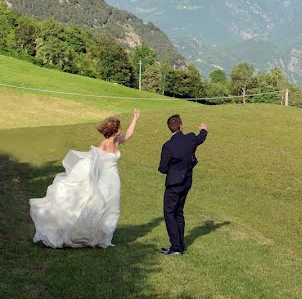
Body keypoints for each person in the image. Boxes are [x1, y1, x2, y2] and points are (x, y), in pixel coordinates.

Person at [30, 109, 141, 248]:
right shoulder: (104, 144)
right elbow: (93, 161)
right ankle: (91, 234)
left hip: (114, 180)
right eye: (119, 128)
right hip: (104, 180)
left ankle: (103, 237)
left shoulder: (117, 141)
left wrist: (135, 118)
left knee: (112, 207)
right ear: (115, 130)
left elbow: (129, 134)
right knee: (101, 205)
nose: (121, 130)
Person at [158, 114, 208, 256]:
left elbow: (162, 168)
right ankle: (179, 244)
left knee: (169, 213)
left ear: (170, 129)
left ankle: (176, 247)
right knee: (179, 212)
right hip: (187, 181)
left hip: (174, 183)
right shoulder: (191, 138)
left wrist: (172, 170)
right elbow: (201, 138)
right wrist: (203, 129)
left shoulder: (168, 146)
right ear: (181, 126)